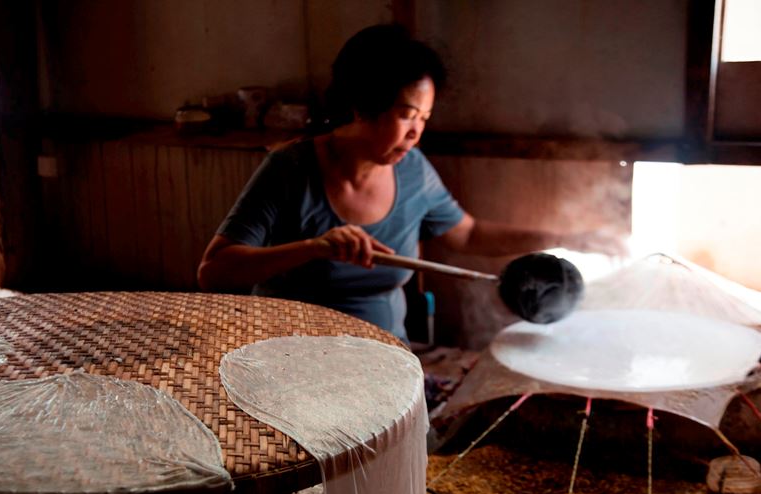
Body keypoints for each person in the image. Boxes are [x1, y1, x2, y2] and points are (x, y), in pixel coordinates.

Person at [198, 24, 615, 342]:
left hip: (384, 358)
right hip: (289, 357)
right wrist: (314, 248)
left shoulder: (412, 169)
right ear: (362, 106)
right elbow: (214, 272)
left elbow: (467, 235)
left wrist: (569, 237)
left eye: (424, 119)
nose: (416, 133)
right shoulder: (290, 168)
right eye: (405, 114)